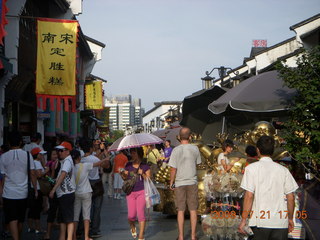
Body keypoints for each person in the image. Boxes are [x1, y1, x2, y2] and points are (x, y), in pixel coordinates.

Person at [238, 136, 299, 240]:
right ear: (273, 150)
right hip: (280, 221)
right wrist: (290, 218)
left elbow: (249, 196)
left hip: (260, 222)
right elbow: (291, 197)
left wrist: (244, 219)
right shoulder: (283, 170)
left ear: (258, 150)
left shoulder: (251, 169)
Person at [0, 131, 37, 240]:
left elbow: (2, 178)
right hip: (23, 192)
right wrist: (35, 189)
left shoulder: (3, 157)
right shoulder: (27, 155)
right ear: (21, 142)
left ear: (8, 142)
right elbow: (33, 173)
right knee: (20, 219)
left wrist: (0, 192)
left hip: (8, 192)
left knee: (12, 218)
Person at [168, 127, 201, 240]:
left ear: (179, 137)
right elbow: (197, 164)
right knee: (193, 210)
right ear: (190, 137)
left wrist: (171, 182)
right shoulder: (195, 149)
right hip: (192, 181)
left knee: (180, 210)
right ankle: (193, 236)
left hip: (180, 183)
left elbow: (173, 169)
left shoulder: (175, 150)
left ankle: (181, 236)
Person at [71, 149, 108, 240]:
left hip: (76, 193)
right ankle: (87, 236)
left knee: (76, 216)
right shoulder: (84, 166)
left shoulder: (71, 168)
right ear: (79, 157)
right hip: (86, 192)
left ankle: (74, 236)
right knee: (86, 215)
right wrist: (106, 158)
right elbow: (98, 164)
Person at [121, 147, 151, 240]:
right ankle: (132, 227)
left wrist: (143, 174)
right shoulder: (128, 165)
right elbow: (124, 178)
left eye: (134, 153)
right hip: (131, 192)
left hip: (142, 191)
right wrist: (123, 174)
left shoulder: (145, 166)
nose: (132, 155)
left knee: (141, 214)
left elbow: (149, 180)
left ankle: (141, 236)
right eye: (131, 153)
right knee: (131, 215)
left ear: (139, 154)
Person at [81, 139, 108, 238]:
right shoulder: (94, 159)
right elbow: (106, 165)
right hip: (96, 184)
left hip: (85, 184)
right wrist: (105, 155)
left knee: (85, 208)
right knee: (97, 208)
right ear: (91, 148)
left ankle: (82, 229)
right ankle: (95, 229)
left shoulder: (81, 159)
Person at [49, 141, 76, 240]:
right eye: (58, 151)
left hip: (66, 194)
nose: (59, 153)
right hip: (63, 194)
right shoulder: (64, 161)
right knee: (62, 219)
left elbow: (63, 175)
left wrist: (53, 189)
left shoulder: (68, 161)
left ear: (68, 152)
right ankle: (62, 237)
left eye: (61, 150)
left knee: (68, 219)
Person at [27, 147, 48, 234]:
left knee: (32, 209)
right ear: (37, 155)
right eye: (41, 154)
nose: (42, 155)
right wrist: (46, 170)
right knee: (37, 209)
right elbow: (39, 175)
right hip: (38, 188)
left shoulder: (32, 163)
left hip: (32, 187)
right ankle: (38, 228)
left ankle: (30, 227)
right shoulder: (37, 163)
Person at [44, 149, 61, 240]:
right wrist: (52, 180)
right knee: (52, 210)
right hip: (53, 190)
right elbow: (50, 177)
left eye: (56, 154)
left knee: (57, 210)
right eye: (53, 154)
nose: (55, 156)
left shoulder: (61, 163)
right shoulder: (50, 164)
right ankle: (48, 233)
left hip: (59, 190)